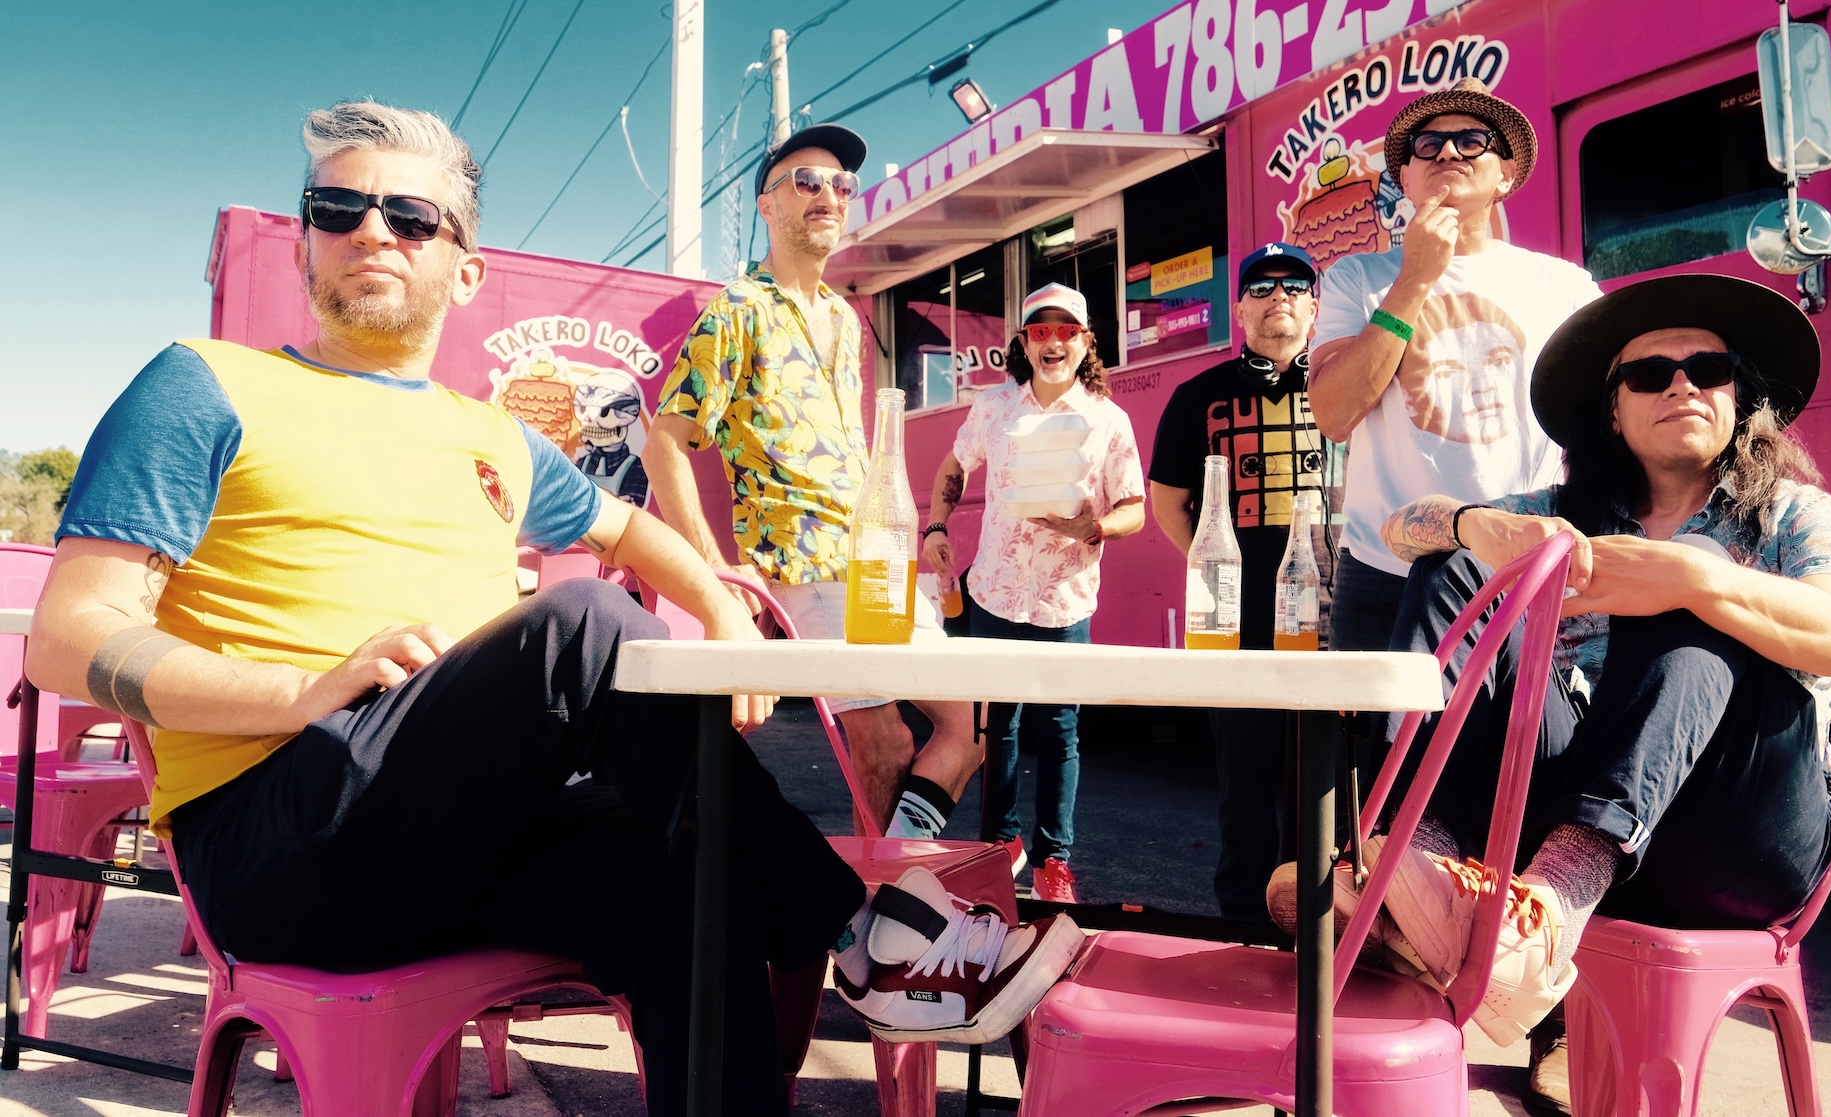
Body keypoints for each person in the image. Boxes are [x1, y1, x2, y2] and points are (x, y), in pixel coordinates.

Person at [23, 102, 1082, 1117]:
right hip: (280, 833)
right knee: (580, 623)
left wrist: (719, 610)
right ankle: (867, 936)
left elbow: (631, 532)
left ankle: (850, 946)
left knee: (692, 886)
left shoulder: (491, 436)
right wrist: (298, 692)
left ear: (464, 266)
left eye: (408, 216)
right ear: (305, 242)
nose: (368, 233)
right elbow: (68, 637)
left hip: (465, 831)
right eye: (336, 210)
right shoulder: (205, 384)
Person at [1355, 273, 1831, 1110]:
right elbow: (1402, 527)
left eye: (1708, 369)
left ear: (1738, 397)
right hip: (1578, 797)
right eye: (1649, 375)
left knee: (1703, 599)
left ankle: (1547, 898)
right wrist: (1469, 523)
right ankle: (1415, 859)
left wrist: (1688, 576)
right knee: (1457, 566)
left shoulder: (1792, 513)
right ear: (1613, 411)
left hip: (1741, 833)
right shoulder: (1567, 513)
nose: (1682, 384)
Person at [644, 123, 981, 844]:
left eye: (841, 185)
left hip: (874, 561)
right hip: (802, 557)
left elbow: (855, 452)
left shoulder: (846, 318)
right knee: (885, 742)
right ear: (767, 206)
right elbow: (664, 442)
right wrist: (715, 570)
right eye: (806, 181)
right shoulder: (738, 308)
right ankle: (890, 908)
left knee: (970, 722)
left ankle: (891, 903)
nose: (828, 194)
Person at [1308, 77, 1601, 653]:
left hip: (1521, 563)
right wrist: (1415, 277)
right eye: (1427, 144)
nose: (1447, 151)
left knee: (1524, 744)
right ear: (1406, 178)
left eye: (1473, 140)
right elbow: (1334, 413)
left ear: (1506, 175)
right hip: (1384, 573)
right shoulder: (1357, 279)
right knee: (1384, 746)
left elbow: (1605, 426)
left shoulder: (1565, 288)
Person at [922, 282, 1146, 904]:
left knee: (1061, 730)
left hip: (1065, 598)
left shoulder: (1108, 419)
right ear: (1023, 342)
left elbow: (1134, 508)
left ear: (1086, 342)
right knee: (999, 727)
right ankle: (998, 847)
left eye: (1066, 330)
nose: (1053, 342)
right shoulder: (994, 407)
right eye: (1039, 331)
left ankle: (1054, 860)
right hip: (994, 590)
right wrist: (937, 526)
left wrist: (1093, 526)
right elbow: (953, 466)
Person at [1149, 242, 1331, 921]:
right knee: (1246, 782)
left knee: (1327, 780)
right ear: (1240, 308)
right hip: (1238, 620)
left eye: (1293, 285)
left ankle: (1323, 923)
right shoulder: (1198, 397)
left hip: (1332, 617)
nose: (1277, 295)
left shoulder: (1345, 385)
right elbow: (1169, 504)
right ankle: (1246, 926)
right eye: (1260, 286)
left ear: (1315, 306)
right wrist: (1216, 569)